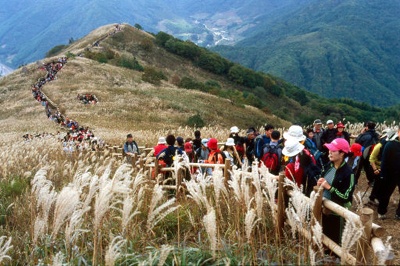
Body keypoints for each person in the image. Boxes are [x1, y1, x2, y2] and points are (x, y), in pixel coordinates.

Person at [317, 138, 354, 245]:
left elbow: (346, 197)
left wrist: (329, 187)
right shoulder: (329, 165)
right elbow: (323, 179)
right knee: (324, 235)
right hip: (325, 208)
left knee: (335, 240)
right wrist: (320, 182)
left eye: (333, 150)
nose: (330, 152)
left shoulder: (348, 173)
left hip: (337, 213)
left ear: (342, 153)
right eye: (329, 150)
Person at [368, 129, 397, 206]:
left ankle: (379, 198)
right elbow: (371, 158)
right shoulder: (379, 146)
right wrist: (375, 169)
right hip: (377, 167)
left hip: (385, 168)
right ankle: (372, 198)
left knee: (383, 185)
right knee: (377, 184)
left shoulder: (392, 146)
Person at [377, 128, 400, 219]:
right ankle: (381, 212)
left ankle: (399, 214)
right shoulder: (390, 145)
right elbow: (385, 161)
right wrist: (383, 175)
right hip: (390, 174)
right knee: (386, 194)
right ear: (398, 132)